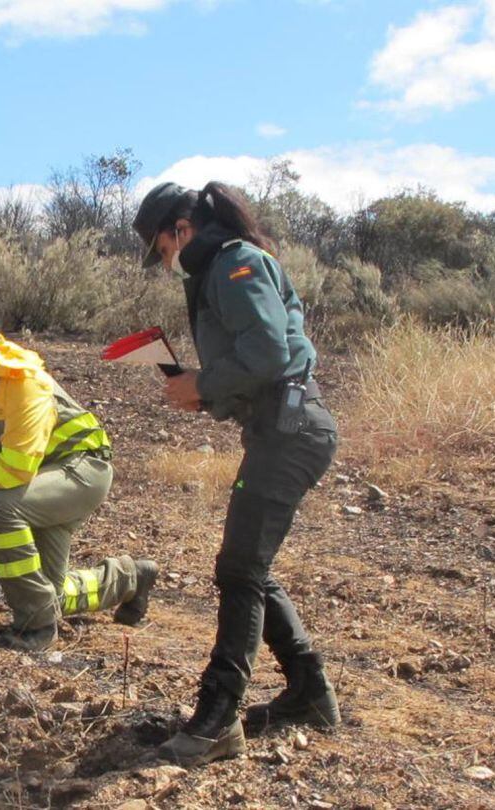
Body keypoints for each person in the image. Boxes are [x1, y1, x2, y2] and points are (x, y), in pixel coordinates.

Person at [131, 181, 340, 766]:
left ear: (181, 229)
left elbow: (273, 355)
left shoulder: (234, 263)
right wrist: (205, 391)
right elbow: (257, 362)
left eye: (162, 248)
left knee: (240, 569)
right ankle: (308, 693)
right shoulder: (224, 266)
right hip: (280, 428)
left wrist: (204, 383)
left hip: (292, 432)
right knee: (249, 565)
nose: (166, 261)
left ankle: (218, 719)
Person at [0, 298, 159, 652]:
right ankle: (131, 578)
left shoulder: (21, 382)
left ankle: (36, 629)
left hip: (81, 472)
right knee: (49, 592)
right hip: (43, 479)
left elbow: (14, 467)